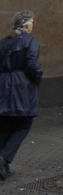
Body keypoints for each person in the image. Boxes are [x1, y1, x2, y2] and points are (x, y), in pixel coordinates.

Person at [0, 11, 42, 180]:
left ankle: (4, 166)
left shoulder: (3, 42)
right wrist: (36, 79)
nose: (33, 25)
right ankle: (3, 158)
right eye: (33, 22)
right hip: (21, 87)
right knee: (23, 124)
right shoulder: (31, 41)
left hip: (3, 85)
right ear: (27, 25)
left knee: (5, 126)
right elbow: (32, 65)